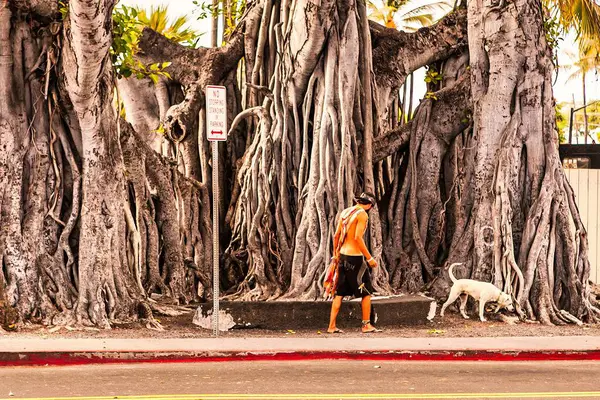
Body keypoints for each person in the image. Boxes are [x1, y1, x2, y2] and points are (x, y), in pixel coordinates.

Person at [326, 192, 382, 333]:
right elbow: (357, 237)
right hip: (355, 258)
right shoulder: (362, 214)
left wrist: (335, 255)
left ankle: (331, 326)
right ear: (369, 205)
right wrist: (369, 258)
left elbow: (336, 235)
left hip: (343, 257)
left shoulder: (346, 212)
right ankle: (366, 325)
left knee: (339, 293)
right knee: (366, 292)